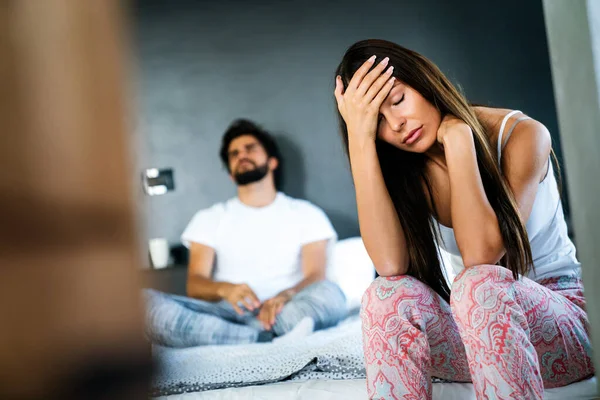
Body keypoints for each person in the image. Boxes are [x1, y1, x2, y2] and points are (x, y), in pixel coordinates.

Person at [333, 39, 594, 400]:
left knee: (477, 284)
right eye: (377, 121)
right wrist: (359, 139)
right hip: (479, 329)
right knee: (384, 294)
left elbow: (480, 257)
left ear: (422, 81)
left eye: (397, 100)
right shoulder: (406, 169)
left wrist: (459, 140)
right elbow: (389, 264)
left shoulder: (521, 134)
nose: (396, 124)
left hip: (567, 323)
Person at [144, 119, 347, 347]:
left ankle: (239, 336)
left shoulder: (307, 214)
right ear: (231, 174)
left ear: (272, 162)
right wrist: (225, 289)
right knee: (141, 303)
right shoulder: (209, 218)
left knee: (332, 293)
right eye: (234, 154)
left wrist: (284, 296)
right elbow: (195, 285)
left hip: (288, 309)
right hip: (228, 315)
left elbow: (315, 276)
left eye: (250, 149)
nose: (241, 155)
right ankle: (260, 337)